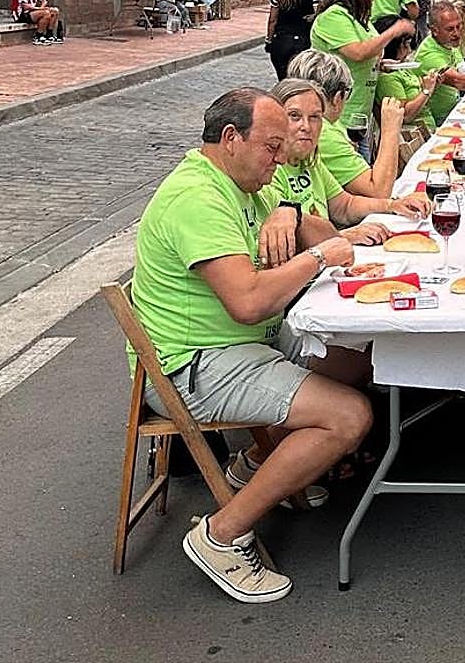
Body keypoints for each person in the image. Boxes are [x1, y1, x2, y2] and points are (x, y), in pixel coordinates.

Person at [133, 83, 371, 603]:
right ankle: (221, 535)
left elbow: (311, 223)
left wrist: (291, 212)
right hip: (195, 365)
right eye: (272, 146)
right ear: (230, 138)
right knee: (349, 416)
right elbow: (247, 302)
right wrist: (319, 257)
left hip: (239, 346)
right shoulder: (197, 197)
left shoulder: (243, 179)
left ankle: (258, 463)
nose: (281, 157)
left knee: (359, 356)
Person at [268, 80, 430, 245]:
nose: (306, 126)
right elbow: (287, 244)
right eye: (294, 116)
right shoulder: (269, 171)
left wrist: (392, 205)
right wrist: (343, 236)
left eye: (315, 117)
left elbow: (344, 205)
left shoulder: (309, 160)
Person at [287, 48, 430, 198]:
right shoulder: (322, 132)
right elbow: (378, 191)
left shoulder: (326, 126)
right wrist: (390, 129)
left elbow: (344, 204)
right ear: (337, 98)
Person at [311, 0, 415, 158]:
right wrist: (393, 31)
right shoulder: (334, 17)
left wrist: (380, 65)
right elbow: (358, 52)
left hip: (360, 116)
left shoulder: (360, 19)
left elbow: (367, 55)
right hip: (340, 117)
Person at [374, 15, 441, 133]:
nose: (409, 50)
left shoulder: (402, 68)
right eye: (405, 45)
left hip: (428, 129)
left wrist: (433, 85)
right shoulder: (387, 78)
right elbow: (405, 116)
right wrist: (426, 91)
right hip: (413, 134)